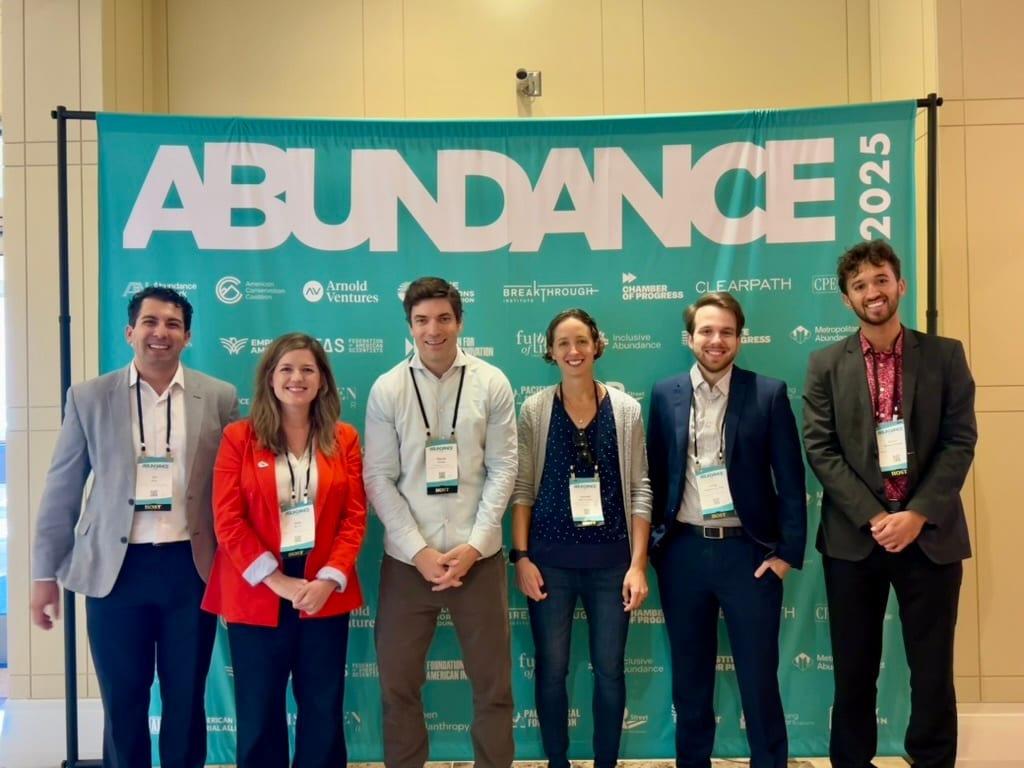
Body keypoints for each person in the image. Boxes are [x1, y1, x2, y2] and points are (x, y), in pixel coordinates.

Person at [30, 286, 239, 768]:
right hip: (114, 573)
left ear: (187, 336)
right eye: (149, 322)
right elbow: (62, 490)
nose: (159, 333)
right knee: (123, 702)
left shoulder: (220, 397)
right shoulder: (89, 397)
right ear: (130, 332)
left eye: (171, 324)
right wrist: (45, 576)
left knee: (186, 700)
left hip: (191, 571)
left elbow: (233, 491)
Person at [803, 240, 977, 768]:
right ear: (846, 300)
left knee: (931, 671)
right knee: (854, 670)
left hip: (930, 535)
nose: (872, 292)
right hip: (856, 540)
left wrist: (916, 514)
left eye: (881, 280)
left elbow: (960, 440)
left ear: (900, 285)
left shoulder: (945, 355)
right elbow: (821, 447)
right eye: (859, 285)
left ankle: (931, 761)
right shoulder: (825, 364)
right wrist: (878, 518)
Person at [647, 291, 806, 768]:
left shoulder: (768, 393)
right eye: (706, 331)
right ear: (690, 337)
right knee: (690, 679)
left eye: (726, 332)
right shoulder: (664, 392)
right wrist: (660, 548)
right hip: (684, 555)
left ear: (740, 337)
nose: (716, 341)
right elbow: (655, 474)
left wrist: (784, 554)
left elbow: (792, 482)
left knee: (759, 678)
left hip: (749, 555)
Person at [363, 276, 517, 768]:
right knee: (398, 685)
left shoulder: (491, 382)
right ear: (409, 325)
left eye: (444, 318)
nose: (434, 330)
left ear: (460, 321)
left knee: (494, 686)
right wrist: (419, 551)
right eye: (423, 320)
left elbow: (504, 468)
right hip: (409, 563)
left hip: (480, 560)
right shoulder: (388, 388)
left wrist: (474, 546)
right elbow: (379, 477)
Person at [202, 333, 366, 768]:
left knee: (323, 709)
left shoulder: (344, 438)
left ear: (323, 381)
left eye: (308, 369)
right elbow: (227, 518)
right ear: (270, 379)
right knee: (258, 712)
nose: (297, 378)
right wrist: (277, 581)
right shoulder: (239, 437)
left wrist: (329, 578)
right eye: (287, 369)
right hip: (258, 591)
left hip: (323, 592)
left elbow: (355, 517)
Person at [511, 308, 652, 768]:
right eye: (563, 344)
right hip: (549, 563)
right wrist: (522, 557)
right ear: (550, 352)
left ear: (597, 346)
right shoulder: (534, 409)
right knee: (552, 671)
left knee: (610, 671)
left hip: (613, 564)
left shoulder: (626, 410)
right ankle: (557, 761)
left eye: (581, 342)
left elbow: (640, 490)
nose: (573, 351)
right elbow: (523, 488)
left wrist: (637, 564)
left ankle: (606, 761)